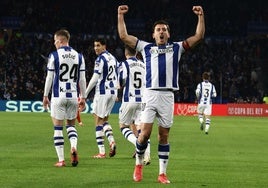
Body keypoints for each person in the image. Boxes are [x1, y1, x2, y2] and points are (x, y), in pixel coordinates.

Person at [118, 5, 205, 184]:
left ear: (168, 34)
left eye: (164, 30)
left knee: (164, 136)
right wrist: (120, 15)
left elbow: (198, 37)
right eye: (158, 30)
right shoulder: (145, 47)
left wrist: (201, 16)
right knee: (144, 134)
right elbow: (124, 36)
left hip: (167, 96)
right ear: (153, 34)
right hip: (149, 95)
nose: (161, 32)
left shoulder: (177, 48)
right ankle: (138, 165)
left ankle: (162, 174)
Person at [43, 29, 86, 167]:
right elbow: (82, 79)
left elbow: (50, 77)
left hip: (58, 96)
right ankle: (73, 147)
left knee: (58, 128)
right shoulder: (79, 56)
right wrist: (83, 97)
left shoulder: (54, 55)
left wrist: (45, 95)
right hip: (73, 96)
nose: (54, 43)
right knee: (71, 126)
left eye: (55, 41)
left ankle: (61, 160)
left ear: (61, 41)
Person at [85, 38, 118, 158]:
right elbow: (118, 75)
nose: (96, 48)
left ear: (104, 46)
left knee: (98, 121)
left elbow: (95, 78)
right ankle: (112, 141)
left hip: (103, 92)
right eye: (94, 46)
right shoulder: (113, 58)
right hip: (113, 92)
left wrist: (85, 93)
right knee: (104, 120)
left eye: (98, 45)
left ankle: (102, 152)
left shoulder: (100, 59)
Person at [118, 45, 150, 165]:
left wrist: (120, 85)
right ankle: (147, 155)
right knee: (142, 128)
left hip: (129, 99)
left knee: (123, 126)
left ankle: (138, 145)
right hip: (143, 100)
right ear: (136, 53)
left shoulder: (124, 64)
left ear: (125, 53)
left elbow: (122, 79)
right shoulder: (144, 65)